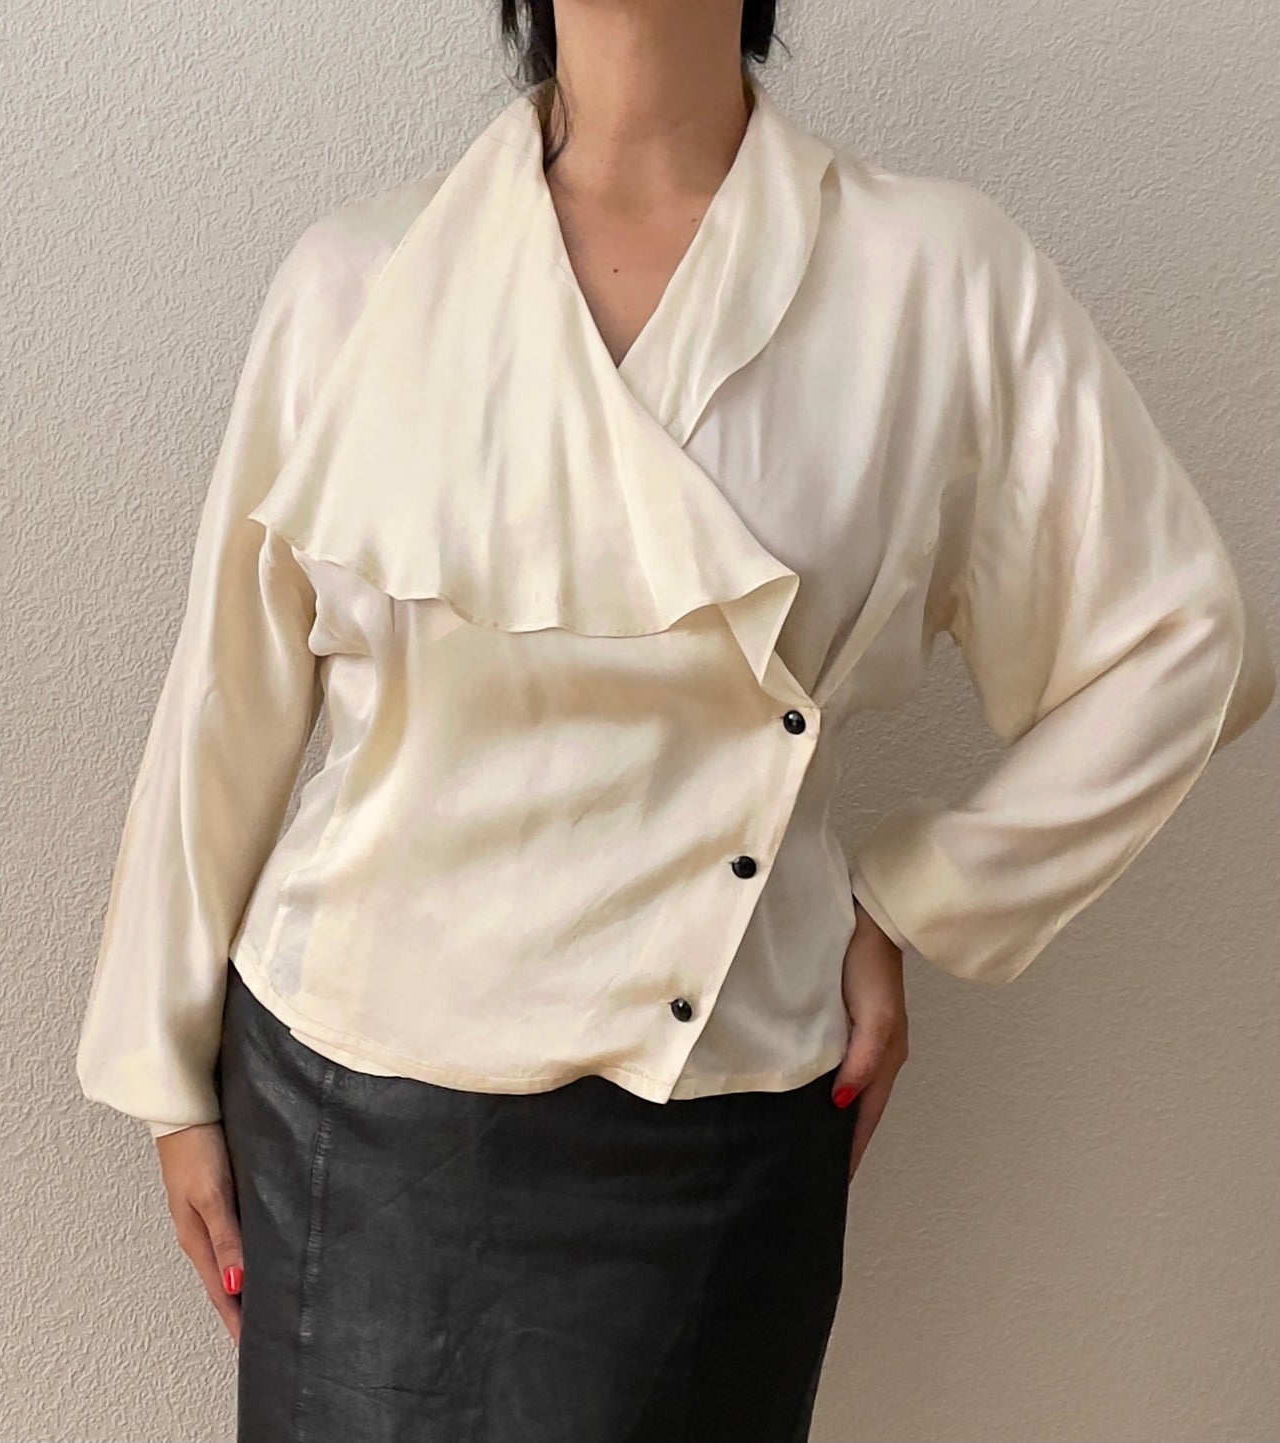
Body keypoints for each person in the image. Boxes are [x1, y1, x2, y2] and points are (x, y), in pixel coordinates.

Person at [74, 2, 1276, 1440]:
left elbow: (1182, 644)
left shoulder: (935, 278)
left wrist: (916, 898)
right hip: (348, 1095)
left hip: (716, 1116)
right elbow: (227, 693)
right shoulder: (360, 279)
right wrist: (165, 1077)